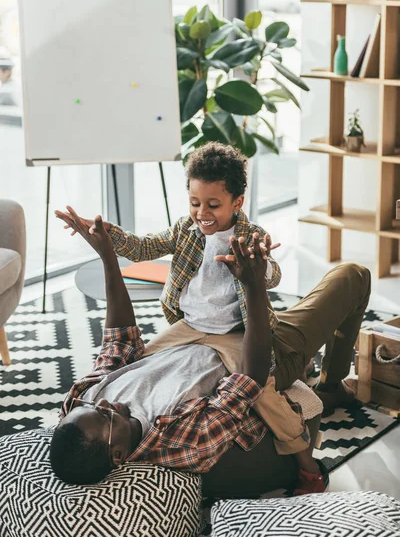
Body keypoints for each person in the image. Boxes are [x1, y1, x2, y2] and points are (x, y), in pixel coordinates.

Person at [55, 144, 325, 492]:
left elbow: (270, 275)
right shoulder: (187, 230)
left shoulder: (250, 236)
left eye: (213, 205)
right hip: (190, 326)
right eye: (195, 203)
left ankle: (307, 464)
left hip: (233, 330)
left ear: (236, 203)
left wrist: (259, 270)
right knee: (143, 360)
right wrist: (110, 238)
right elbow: (143, 248)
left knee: (266, 396)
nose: (202, 212)